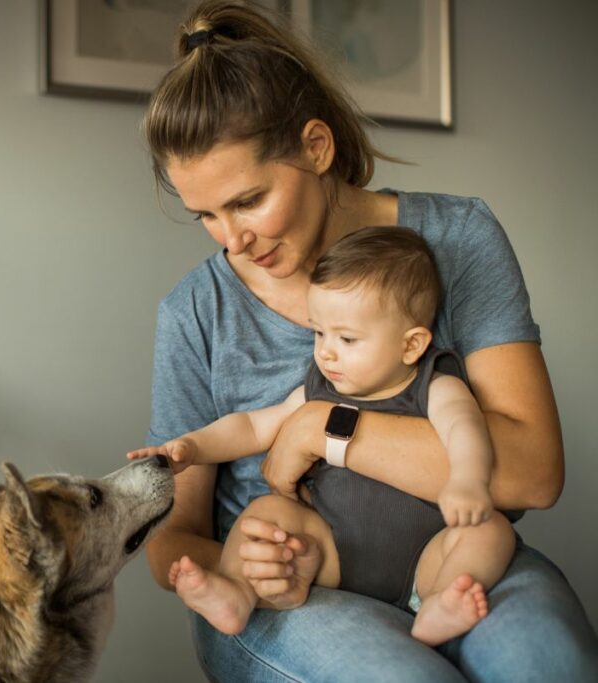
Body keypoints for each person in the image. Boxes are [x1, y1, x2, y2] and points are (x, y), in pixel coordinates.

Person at [139, 1, 598, 680]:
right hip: (298, 581)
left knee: (547, 663)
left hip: (448, 554)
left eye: (248, 201)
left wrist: (325, 428)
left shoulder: (456, 240)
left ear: (316, 147)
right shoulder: (195, 312)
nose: (232, 240)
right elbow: (171, 542)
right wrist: (256, 564)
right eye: (205, 214)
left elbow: (533, 472)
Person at [129, 226, 516, 647]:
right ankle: (238, 592)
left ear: (411, 346)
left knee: (491, 531)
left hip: (426, 557)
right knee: (266, 512)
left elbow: (465, 429)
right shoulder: (320, 388)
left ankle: (440, 602)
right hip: (331, 551)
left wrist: (468, 481)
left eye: (347, 338)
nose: (326, 352)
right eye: (319, 332)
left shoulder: (435, 386)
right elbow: (253, 426)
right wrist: (194, 446)